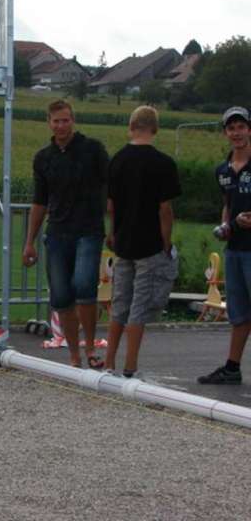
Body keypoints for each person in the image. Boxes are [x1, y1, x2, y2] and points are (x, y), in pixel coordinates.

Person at [23, 99, 109, 368]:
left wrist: (114, 226)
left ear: (73, 121)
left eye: (66, 120)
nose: (61, 125)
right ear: (49, 123)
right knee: (61, 295)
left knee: (84, 286)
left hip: (89, 230)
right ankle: (73, 354)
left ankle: (91, 348)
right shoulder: (43, 158)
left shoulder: (93, 150)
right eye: (56, 121)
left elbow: (111, 190)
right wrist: (29, 242)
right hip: (57, 232)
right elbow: (40, 202)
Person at [104, 105, 181, 378]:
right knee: (139, 306)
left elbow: (111, 205)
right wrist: (166, 241)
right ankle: (130, 365)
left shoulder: (117, 160)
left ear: (131, 126)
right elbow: (165, 210)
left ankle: (109, 360)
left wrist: (113, 232)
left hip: (124, 241)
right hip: (149, 244)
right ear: (155, 129)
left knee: (120, 303)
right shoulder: (164, 164)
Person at [198, 106, 251, 385]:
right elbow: (227, 205)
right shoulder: (223, 170)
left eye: (241, 126)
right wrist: (225, 226)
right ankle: (232, 368)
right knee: (239, 312)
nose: (236, 133)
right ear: (225, 133)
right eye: (231, 128)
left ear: (249, 130)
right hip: (235, 249)